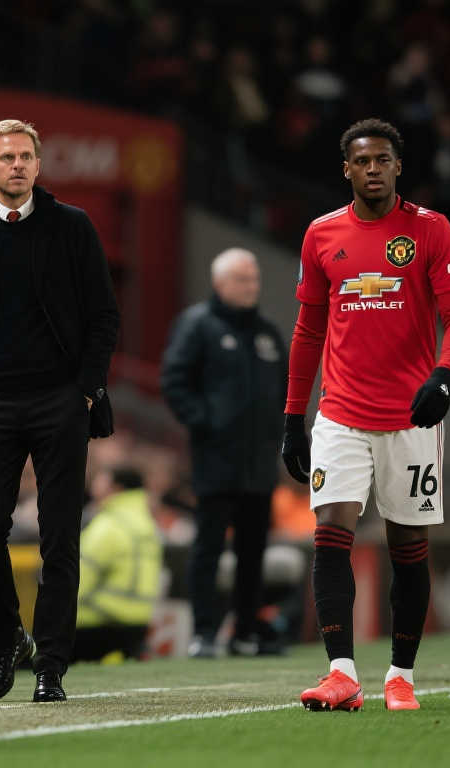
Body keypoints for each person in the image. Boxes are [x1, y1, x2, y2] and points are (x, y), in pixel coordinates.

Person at [281, 118, 450, 712]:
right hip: (340, 413)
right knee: (330, 532)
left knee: (407, 546)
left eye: (382, 160)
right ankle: (341, 673)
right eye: (362, 161)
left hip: (411, 419)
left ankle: (400, 676)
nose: (372, 169)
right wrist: (293, 417)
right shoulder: (321, 234)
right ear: (346, 169)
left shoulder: (430, 230)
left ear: (397, 167)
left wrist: (444, 376)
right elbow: (308, 330)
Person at [0, 119, 119, 702]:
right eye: (7, 156)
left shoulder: (72, 226)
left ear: (38, 165)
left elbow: (103, 315)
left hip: (59, 400)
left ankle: (51, 666)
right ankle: (8, 638)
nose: (17, 165)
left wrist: (84, 389)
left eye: (26, 156)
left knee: (60, 537)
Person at [161, 247, 287, 657]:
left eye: (254, 279)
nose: (251, 286)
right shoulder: (198, 325)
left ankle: (245, 632)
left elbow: (286, 389)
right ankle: (203, 633)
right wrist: (207, 424)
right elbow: (174, 381)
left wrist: (279, 435)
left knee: (254, 550)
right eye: (242, 279)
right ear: (219, 283)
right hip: (215, 460)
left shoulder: (267, 334)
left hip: (260, 463)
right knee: (209, 548)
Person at [74, 466, 162, 662]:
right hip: (139, 623)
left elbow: (78, 580)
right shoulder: (147, 524)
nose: (93, 485)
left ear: (116, 487)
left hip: (98, 622)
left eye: (100, 480)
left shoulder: (108, 525)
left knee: (35, 660)